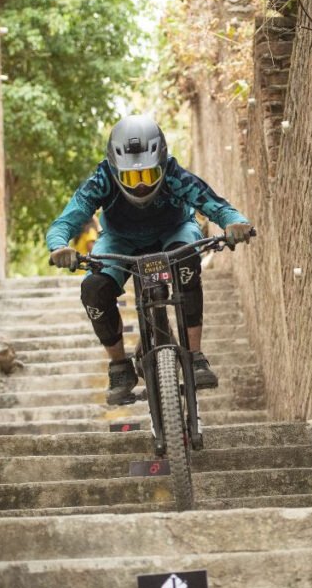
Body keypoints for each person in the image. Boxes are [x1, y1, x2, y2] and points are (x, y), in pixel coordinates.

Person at [47, 114, 253, 405]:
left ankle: (195, 357)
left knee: (187, 263)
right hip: (121, 241)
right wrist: (59, 246)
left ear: (161, 164)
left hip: (174, 232)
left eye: (148, 175)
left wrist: (235, 223)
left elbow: (214, 204)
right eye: (132, 177)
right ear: (117, 171)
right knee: (93, 289)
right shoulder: (102, 179)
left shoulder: (174, 174)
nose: (141, 186)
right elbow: (65, 222)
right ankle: (119, 368)